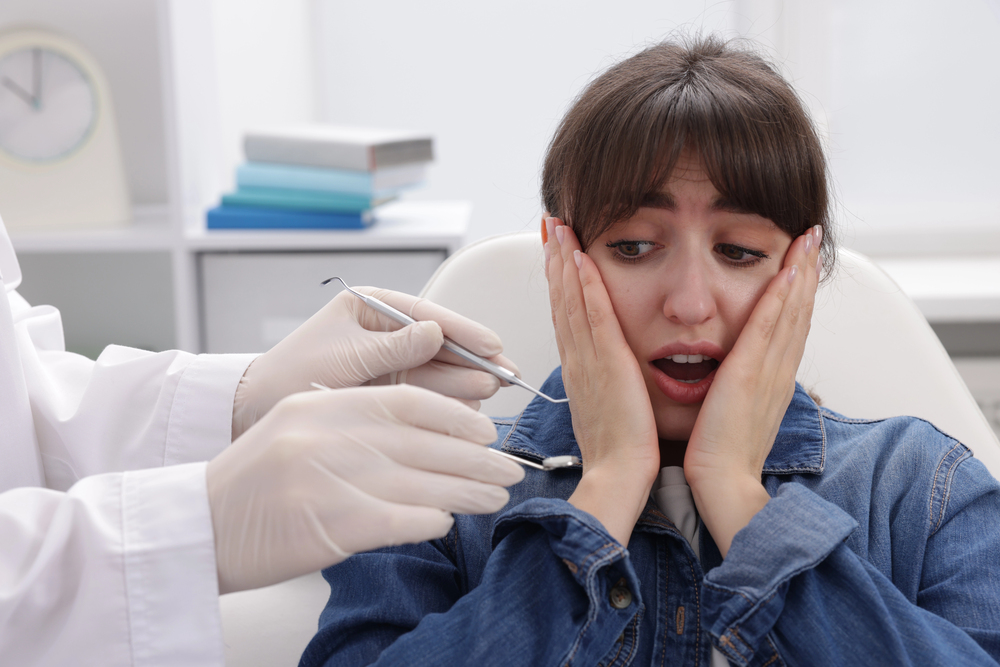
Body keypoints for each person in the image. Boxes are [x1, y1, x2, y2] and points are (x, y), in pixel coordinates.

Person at [300, 35, 1000, 666]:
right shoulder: (430, 493)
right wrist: (605, 489)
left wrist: (738, 494)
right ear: (560, 259)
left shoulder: (924, 488)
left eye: (739, 250)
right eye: (633, 245)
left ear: (802, 272)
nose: (690, 303)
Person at [0, 215, 525, 664]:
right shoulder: (424, 487)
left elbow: (19, 397)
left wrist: (239, 399)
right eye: (612, 249)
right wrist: (194, 524)